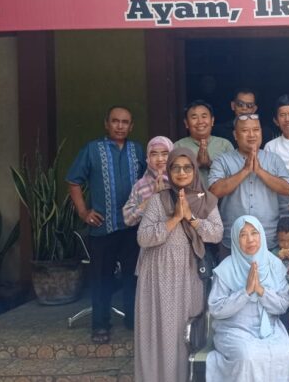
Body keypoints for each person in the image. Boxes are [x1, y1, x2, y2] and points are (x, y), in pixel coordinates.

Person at [134, 148, 223, 382]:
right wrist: (174, 218)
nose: (181, 172)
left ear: (195, 170)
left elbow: (216, 234)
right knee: (158, 330)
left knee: (184, 331)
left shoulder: (206, 200)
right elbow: (143, 237)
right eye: (176, 168)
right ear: (169, 171)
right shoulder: (159, 199)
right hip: (157, 275)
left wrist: (191, 218)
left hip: (189, 274)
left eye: (187, 167)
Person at [66, 106, 146, 343]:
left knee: (134, 276)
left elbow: (149, 180)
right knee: (102, 278)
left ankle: (133, 320)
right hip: (103, 228)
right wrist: (83, 212)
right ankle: (100, 325)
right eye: (115, 121)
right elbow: (73, 181)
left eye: (125, 122)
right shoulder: (92, 149)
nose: (120, 126)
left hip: (132, 227)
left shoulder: (137, 150)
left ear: (131, 126)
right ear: (106, 124)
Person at [206, 216, 289, 382]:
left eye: (254, 233)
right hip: (233, 329)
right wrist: (245, 292)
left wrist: (261, 291)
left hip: (271, 329)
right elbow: (216, 309)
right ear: (235, 239)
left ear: (261, 235)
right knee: (248, 356)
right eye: (243, 235)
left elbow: (282, 305)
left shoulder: (275, 265)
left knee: (286, 353)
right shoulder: (226, 269)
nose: (250, 239)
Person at [209, 114, 289, 259]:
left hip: (268, 238)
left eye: (256, 130)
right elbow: (214, 191)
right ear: (235, 135)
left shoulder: (274, 159)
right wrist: (245, 171)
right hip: (233, 238)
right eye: (245, 130)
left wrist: (260, 171)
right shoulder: (223, 160)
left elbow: (287, 189)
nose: (252, 135)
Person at [174, 100, 233, 187]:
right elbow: (173, 177)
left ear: (212, 121)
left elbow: (233, 175)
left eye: (204, 116)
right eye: (194, 118)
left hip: (220, 195)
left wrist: (210, 164)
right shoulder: (178, 147)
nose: (200, 121)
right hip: (188, 195)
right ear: (186, 123)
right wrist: (197, 163)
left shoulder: (224, 145)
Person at [122, 136, 173, 227]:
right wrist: (152, 198)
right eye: (154, 154)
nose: (160, 159)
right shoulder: (140, 186)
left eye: (165, 154)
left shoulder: (182, 180)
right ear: (148, 158)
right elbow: (128, 220)